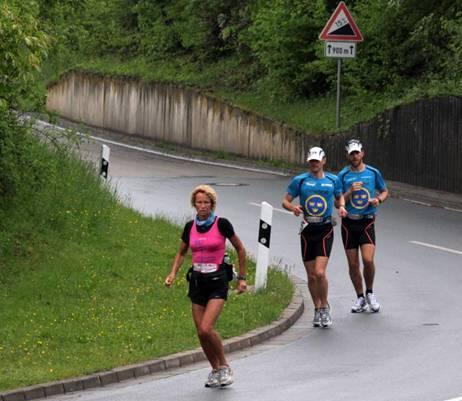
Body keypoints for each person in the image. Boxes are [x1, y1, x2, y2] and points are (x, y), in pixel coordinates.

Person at [164, 184, 247, 388]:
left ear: (212, 204)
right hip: (197, 282)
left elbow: (240, 248)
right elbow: (181, 252)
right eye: (199, 202)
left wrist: (242, 278)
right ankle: (215, 369)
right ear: (194, 204)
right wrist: (173, 273)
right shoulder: (189, 226)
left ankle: (225, 366)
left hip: (217, 281)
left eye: (206, 202)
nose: (202, 206)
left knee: (206, 327)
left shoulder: (222, 224)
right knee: (200, 332)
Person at [282, 147, 347, 328]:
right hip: (307, 230)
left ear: (323, 161)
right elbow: (285, 200)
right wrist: (293, 208)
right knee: (311, 276)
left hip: (325, 228)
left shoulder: (333, 180)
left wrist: (341, 207)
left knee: (320, 272)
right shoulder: (300, 180)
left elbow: (339, 197)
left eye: (317, 161)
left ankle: (325, 306)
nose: (314, 164)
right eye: (311, 161)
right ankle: (317, 308)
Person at [337, 139, 389, 313]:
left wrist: (378, 200)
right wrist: (349, 192)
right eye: (351, 153)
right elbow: (338, 203)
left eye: (357, 152)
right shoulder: (342, 176)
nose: (354, 156)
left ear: (362, 153)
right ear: (347, 155)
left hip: (366, 220)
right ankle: (360, 298)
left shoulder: (373, 172)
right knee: (353, 264)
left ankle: (370, 292)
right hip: (349, 223)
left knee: (367, 260)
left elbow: (385, 191)